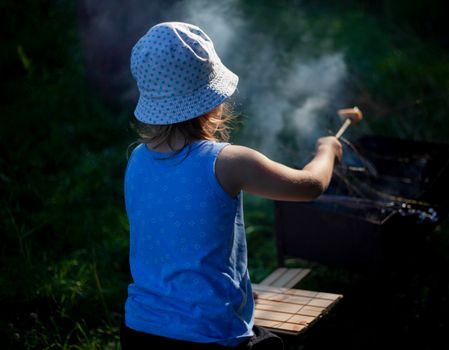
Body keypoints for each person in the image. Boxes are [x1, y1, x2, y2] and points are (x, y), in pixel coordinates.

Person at [121, 22, 342, 349]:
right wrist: (327, 151)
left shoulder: (137, 160)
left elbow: (173, 243)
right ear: (213, 102)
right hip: (210, 336)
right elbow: (310, 186)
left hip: (140, 331)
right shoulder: (228, 162)